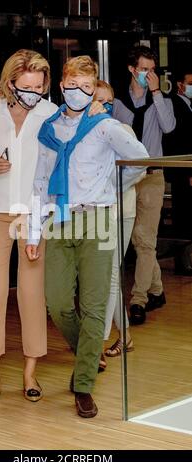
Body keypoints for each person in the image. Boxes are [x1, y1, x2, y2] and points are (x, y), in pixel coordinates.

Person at [26, 55, 149, 418]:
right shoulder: (49, 128)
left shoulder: (104, 125)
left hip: (98, 220)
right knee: (58, 302)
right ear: (61, 84)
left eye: (85, 86)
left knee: (95, 307)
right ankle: (88, 355)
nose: (77, 92)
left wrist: (109, 189)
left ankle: (83, 385)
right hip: (59, 220)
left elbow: (139, 161)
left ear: (94, 89)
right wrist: (33, 232)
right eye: (71, 84)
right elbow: (39, 183)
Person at [0, 49, 59, 405]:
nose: (32, 93)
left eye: (39, 86)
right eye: (26, 86)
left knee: (32, 294)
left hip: (33, 215)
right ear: (10, 83)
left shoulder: (51, 115)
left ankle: (30, 372)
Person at [113, 45, 176, 325]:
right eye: (143, 70)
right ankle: (157, 290)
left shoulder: (160, 100)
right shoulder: (116, 102)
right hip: (125, 176)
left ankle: (138, 299)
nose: (148, 75)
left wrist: (156, 93)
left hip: (152, 175)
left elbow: (169, 126)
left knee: (144, 237)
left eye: (152, 70)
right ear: (131, 69)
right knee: (138, 239)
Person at [94, 80, 139, 358]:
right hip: (96, 214)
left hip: (121, 212)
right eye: (100, 100)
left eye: (109, 100)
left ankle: (97, 342)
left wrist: (110, 186)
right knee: (101, 276)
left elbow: (139, 168)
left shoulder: (123, 131)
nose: (105, 105)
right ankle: (126, 336)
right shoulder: (82, 133)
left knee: (109, 274)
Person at [162, 68, 192, 241]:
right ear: (180, 85)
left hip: (185, 167)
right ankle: (182, 252)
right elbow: (180, 140)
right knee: (183, 210)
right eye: (190, 84)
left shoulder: (187, 104)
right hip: (181, 166)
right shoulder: (174, 103)